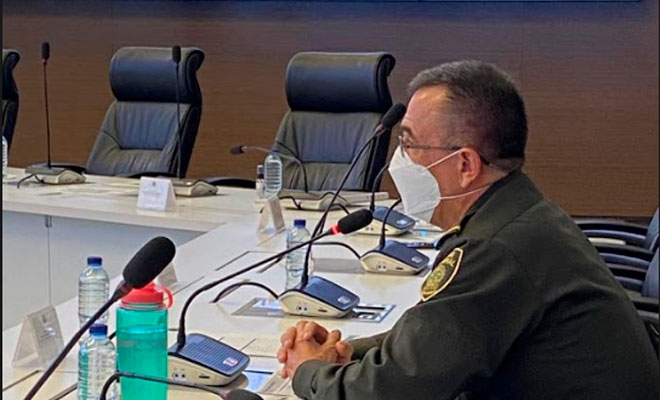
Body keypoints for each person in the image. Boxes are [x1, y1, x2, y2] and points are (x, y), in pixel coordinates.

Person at [276, 60, 660, 399]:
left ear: (465, 165)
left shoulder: (495, 248)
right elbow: (436, 338)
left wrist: (309, 371)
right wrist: (349, 353)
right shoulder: (517, 212)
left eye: (409, 144)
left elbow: (389, 392)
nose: (399, 159)